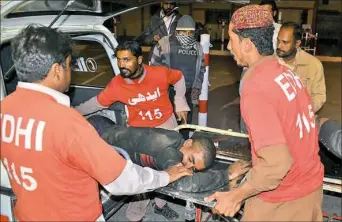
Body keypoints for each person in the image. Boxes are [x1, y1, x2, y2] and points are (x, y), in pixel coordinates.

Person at [0, 25, 192, 221]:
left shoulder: (4, 109)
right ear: (57, 70)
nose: (71, 72)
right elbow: (122, 179)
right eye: (69, 65)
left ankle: (160, 205)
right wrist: (166, 176)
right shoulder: (66, 123)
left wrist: (180, 104)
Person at [205, 5, 324, 221]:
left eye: (232, 40)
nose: (229, 47)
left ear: (247, 43)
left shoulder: (256, 85)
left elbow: (277, 163)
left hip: (283, 197)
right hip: (309, 186)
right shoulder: (285, 73)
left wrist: (237, 195)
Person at [87, 115, 251, 192]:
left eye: (194, 168)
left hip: (108, 129)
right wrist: (226, 174)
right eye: (190, 159)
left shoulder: (177, 142)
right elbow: (186, 184)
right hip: (96, 133)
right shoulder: (170, 150)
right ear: (188, 143)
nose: (187, 165)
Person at [75, 40, 189, 130]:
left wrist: (180, 103)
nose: (121, 65)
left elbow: (179, 77)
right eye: (119, 60)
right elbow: (95, 103)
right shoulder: (117, 84)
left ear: (139, 60)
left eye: (126, 60)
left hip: (166, 124)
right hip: (138, 131)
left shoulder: (159, 73)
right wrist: (71, 112)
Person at [150, 15, 205, 126]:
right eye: (184, 32)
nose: (187, 35)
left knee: (185, 124)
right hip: (168, 91)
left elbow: (201, 69)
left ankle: (184, 141)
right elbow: (153, 68)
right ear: (177, 30)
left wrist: (197, 88)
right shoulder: (164, 44)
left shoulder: (198, 47)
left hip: (188, 91)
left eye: (190, 33)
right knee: (168, 123)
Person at [238, 0, 281, 134]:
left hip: (271, 74)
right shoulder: (252, 28)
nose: (264, 14)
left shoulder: (280, 30)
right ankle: (245, 134)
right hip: (250, 71)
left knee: (267, 108)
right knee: (246, 102)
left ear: (274, 12)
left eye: (267, 10)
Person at [277, 21, 326, 113]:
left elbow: (319, 97)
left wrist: (301, 112)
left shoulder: (313, 64)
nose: (279, 46)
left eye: (285, 42)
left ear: (297, 43)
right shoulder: (270, 63)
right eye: (278, 41)